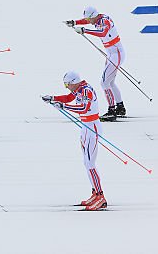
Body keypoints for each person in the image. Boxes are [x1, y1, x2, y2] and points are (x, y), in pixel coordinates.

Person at [42, 71, 108, 211]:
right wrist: (53, 98)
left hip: (92, 127)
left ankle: (101, 197)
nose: (67, 87)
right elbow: (67, 98)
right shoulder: (78, 89)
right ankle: (94, 194)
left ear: (74, 82)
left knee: (90, 163)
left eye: (68, 84)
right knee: (86, 162)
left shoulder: (86, 91)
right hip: (85, 127)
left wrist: (63, 106)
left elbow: (84, 108)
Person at [65, 6, 127, 120]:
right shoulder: (96, 19)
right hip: (111, 54)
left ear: (94, 16)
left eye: (89, 20)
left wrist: (85, 30)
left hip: (116, 54)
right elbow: (85, 21)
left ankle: (112, 109)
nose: (88, 22)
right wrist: (74, 22)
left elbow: (103, 33)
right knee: (110, 83)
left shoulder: (105, 20)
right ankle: (120, 107)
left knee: (104, 83)